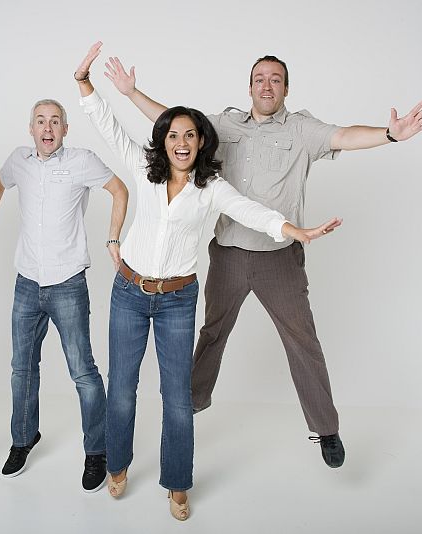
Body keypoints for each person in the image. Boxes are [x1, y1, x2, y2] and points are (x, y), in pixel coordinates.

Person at [100, 52, 422, 468]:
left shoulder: (302, 129)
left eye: (275, 80)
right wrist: (132, 93)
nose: (266, 85)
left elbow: (346, 135)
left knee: (302, 340)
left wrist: (389, 134)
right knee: (213, 333)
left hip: (278, 257)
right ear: (249, 87)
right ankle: (187, 405)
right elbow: (175, 123)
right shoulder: (224, 125)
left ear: (286, 89)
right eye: (259, 79)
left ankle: (326, 428)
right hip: (227, 254)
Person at [74, 42, 340, 521]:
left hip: (177, 300)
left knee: (177, 398)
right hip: (130, 294)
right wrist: (85, 84)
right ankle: (117, 465)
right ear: (164, 141)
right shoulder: (144, 170)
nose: (181, 142)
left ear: (201, 143)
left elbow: (252, 212)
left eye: (190, 136)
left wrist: (292, 229)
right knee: (123, 388)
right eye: (173, 134)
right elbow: (108, 126)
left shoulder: (211, 188)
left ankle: (177, 484)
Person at [0, 97, 128, 492]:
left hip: (68, 283)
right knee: (22, 369)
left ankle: (96, 451)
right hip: (26, 283)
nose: (48, 128)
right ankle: (23, 439)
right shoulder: (19, 160)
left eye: (55, 121)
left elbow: (119, 189)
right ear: (32, 129)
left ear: (65, 130)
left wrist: (112, 237)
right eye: (41, 121)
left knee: (83, 372)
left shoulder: (82, 161)